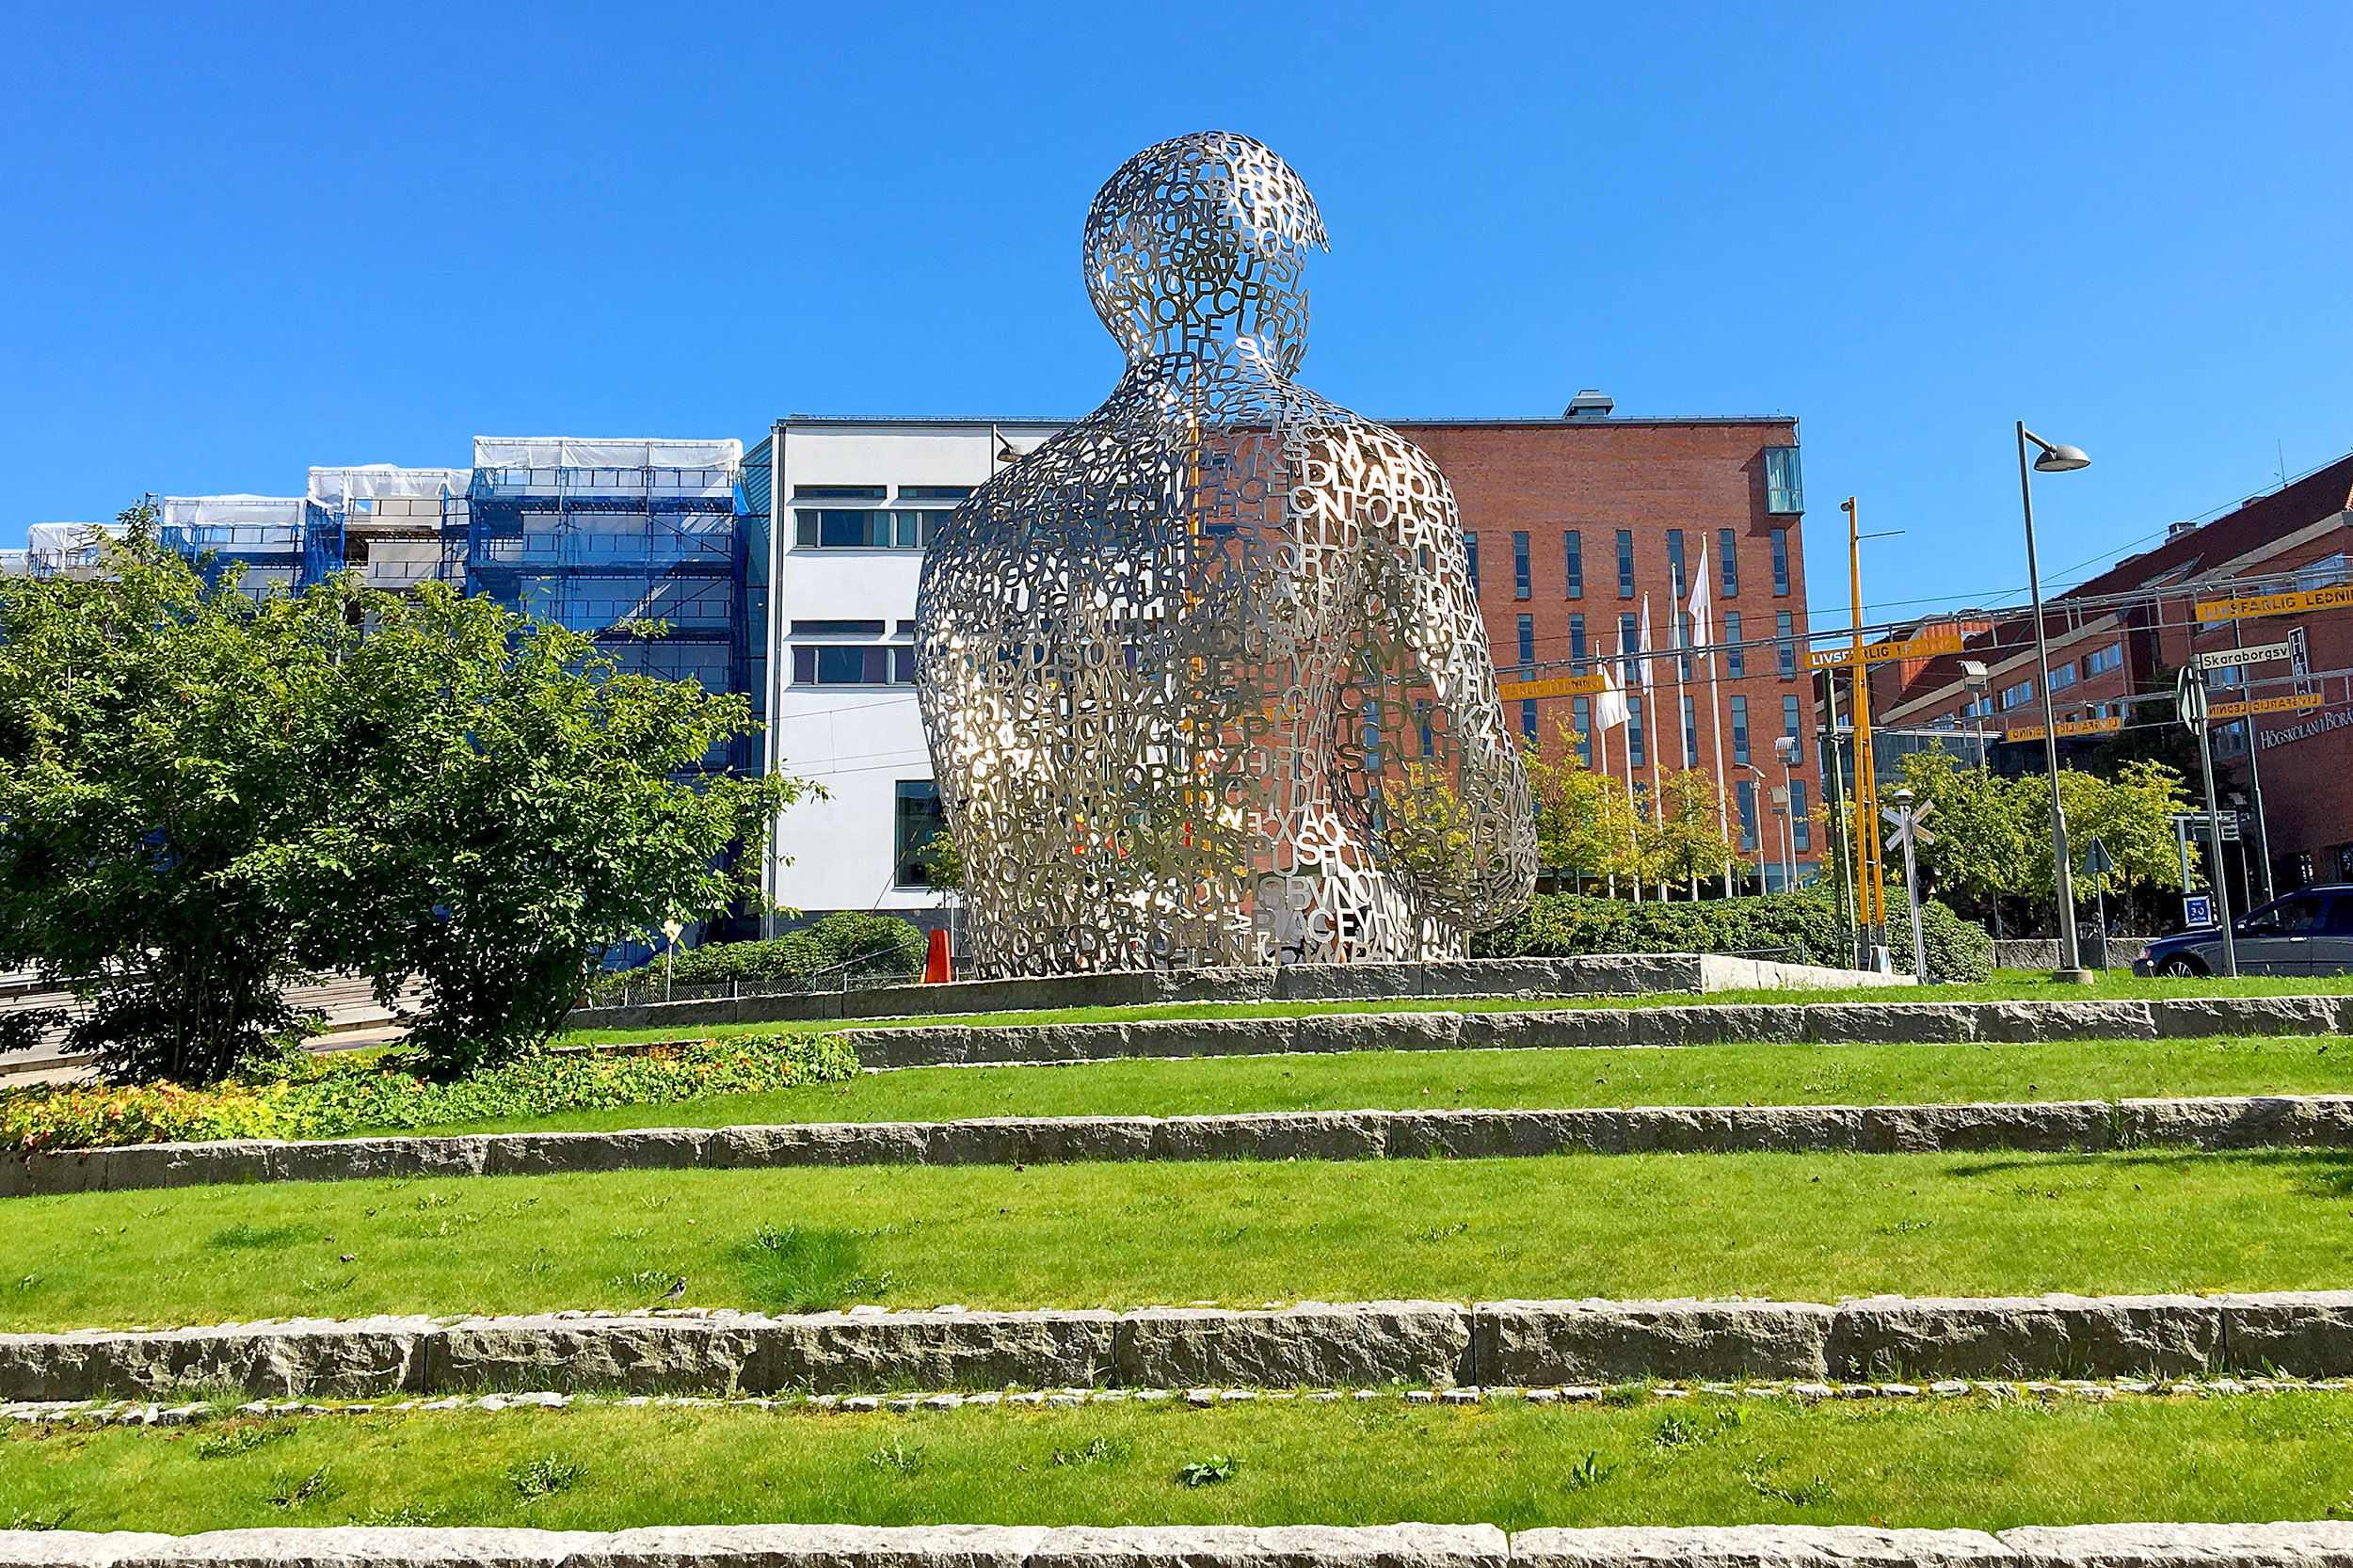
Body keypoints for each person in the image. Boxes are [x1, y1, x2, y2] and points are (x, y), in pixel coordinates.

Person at [917, 132, 1534, 976]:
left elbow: (995, 809)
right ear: (1281, 283)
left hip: (1067, 949)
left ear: (1117, 294)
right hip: (1321, 919)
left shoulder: (982, 525)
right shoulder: (1368, 471)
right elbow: (1490, 857)